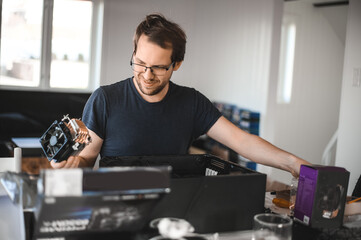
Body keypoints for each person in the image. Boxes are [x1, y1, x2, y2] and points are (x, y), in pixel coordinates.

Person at [51, 13, 310, 177]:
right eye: (140, 63)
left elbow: (243, 142)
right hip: (117, 211)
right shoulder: (105, 99)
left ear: (177, 64)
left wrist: (293, 163)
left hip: (174, 212)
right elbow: (86, 161)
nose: (147, 74)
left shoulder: (192, 102)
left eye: (159, 67)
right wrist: (69, 166)